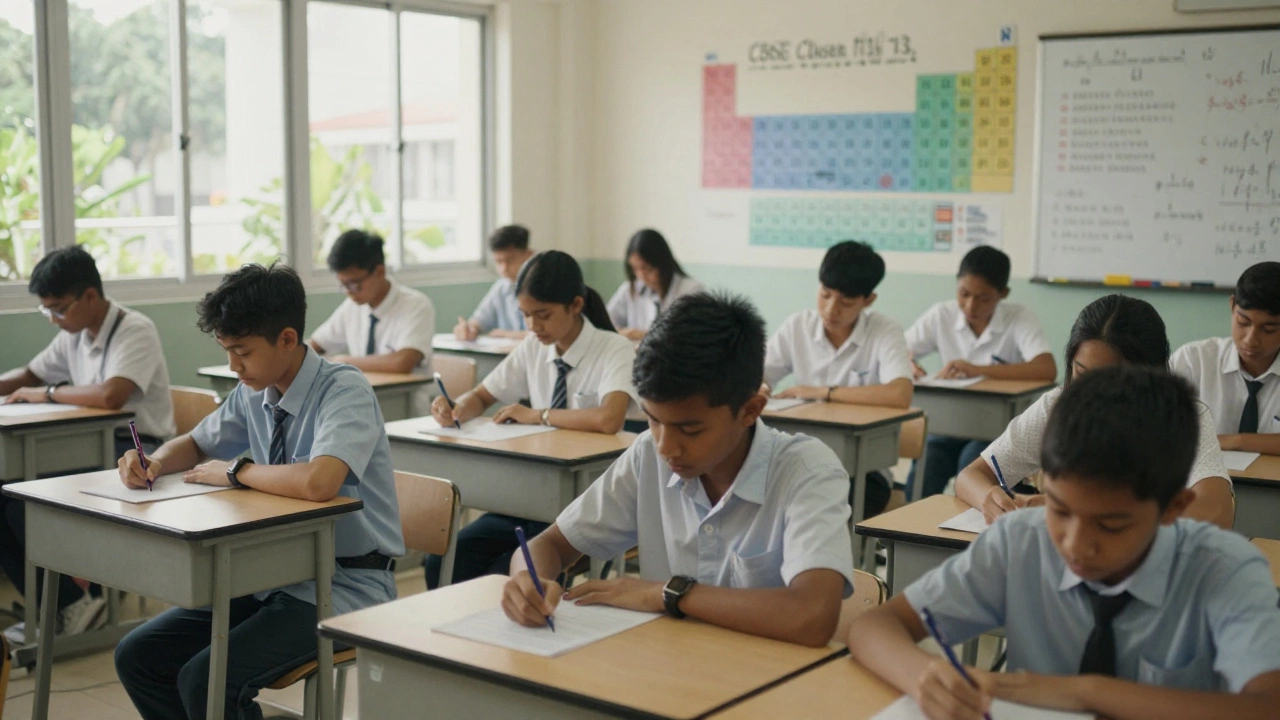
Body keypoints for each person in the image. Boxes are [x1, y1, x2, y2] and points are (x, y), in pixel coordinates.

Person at [848, 366, 1280, 720]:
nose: (1076, 545)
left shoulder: (1223, 568)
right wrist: (927, 676)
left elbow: (1266, 706)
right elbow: (874, 626)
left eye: (1110, 525)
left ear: (1173, 507)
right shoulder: (1021, 542)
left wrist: (1086, 692)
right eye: (1058, 509)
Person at [113, 263, 403, 720]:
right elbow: (196, 443)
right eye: (227, 351)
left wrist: (238, 471)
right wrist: (156, 461)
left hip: (344, 585)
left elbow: (318, 481)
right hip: (270, 575)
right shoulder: (255, 389)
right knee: (138, 656)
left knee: (205, 680)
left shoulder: (344, 390)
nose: (233, 366)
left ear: (287, 339)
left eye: (242, 352)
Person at [502, 292, 853, 647]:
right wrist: (527, 580)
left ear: (751, 410)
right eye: (653, 421)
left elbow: (812, 616)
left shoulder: (806, 470)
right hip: (668, 668)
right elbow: (549, 545)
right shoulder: (649, 455)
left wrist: (668, 594)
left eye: (690, 430)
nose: (666, 446)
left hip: (770, 683)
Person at [424, 250, 637, 588]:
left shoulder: (614, 349)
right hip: (530, 496)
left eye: (543, 315)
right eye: (525, 316)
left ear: (576, 305)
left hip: (583, 502)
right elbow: (482, 395)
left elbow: (609, 418)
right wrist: (455, 408)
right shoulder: (534, 347)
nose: (533, 326)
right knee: (444, 560)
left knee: (500, 574)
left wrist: (539, 415)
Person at [0, 246, 175, 644]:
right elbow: (28, 373)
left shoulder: (134, 329)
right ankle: (60, 605)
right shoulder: (74, 335)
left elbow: (113, 395)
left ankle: (76, 603)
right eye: (47, 311)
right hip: (81, 443)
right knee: (7, 496)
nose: (54, 319)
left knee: (23, 504)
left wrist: (45, 393)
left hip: (136, 450)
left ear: (90, 297)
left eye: (59, 308)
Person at [954, 294, 1235, 529]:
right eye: (1081, 374)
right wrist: (989, 498)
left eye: (1108, 380)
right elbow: (970, 476)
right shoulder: (1058, 405)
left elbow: (1216, 511)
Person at [762, 240, 913, 519]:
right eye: (825, 294)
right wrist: (760, 388)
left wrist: (823, 392)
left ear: (868, 300)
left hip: (864, 473)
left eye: (846, 301)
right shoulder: (798, 326)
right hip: (799, 462)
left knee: (813, 510)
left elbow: (899, 394)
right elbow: (759, 377)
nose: (831, 309)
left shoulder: (883, 330)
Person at [905, 246, 1056, 499]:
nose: (970, 305)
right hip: (948, 425)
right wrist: (908, 363)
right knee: (929, 458)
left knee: (972, 463)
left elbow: (1046, 368)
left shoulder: (1018, 318)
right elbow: (900, 351)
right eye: (963, 294)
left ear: (1003, 294)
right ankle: (911, 530)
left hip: (994, 429)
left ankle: (966, 534)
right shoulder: (941, 315)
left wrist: (977, 370)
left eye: (983, 298)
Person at [308, 229, 435, 410]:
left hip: (405, 409)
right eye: (343, 285)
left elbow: (402, 363)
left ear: (379, 272)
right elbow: (315, 345)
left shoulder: (415, 305)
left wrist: (345, 362)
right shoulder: (352, 307)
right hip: (360, 402)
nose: (349, 292)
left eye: (354, 284)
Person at [1171, 261, 1280, 455]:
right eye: (1243, 322)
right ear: (1232, 306)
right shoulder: (1192, 361)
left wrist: (1235, 441)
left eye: (1268, 329)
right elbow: (1156, 428)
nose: (1251, 339)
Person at [606, 229, 703, 341]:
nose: (641, 275)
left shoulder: (691, 291)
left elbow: (691, 337)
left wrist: (644, 336)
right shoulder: (630, 288)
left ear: (662, 264)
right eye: (635, 269)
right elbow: (605, 323)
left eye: (646, 268)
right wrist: (625, 333)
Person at [454, 224, 534, 340]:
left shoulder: (545, 285)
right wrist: (469, 329)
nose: (504, 268)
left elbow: (548, 333)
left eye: (510, 260)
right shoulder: (502, 287)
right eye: (498, 261)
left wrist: (509, 335)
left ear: (528, 255)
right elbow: (479, 321)